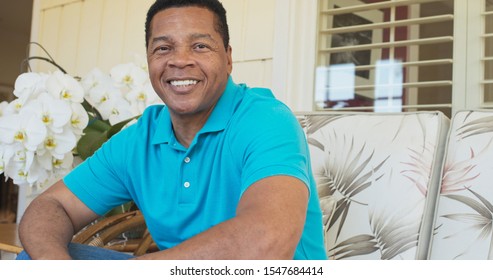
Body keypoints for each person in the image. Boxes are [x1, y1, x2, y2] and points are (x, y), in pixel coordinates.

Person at [17, 0, 328, 260]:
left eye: (200, 46)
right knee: (32, 257)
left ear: (228, 58)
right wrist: (52, 266)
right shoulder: (140, 139)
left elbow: (267, 241)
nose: (180, 61)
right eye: (163, 48)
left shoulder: (266, 120)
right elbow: (51, 206)